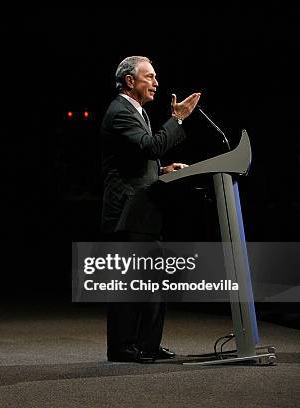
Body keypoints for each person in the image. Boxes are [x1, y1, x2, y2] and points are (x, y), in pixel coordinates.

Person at [101, 56, 201, 363]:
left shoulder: (137, 111)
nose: (156, 83)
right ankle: (122, 347)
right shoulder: (120, 111)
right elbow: (150, 146)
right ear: (130, 81)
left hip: (142, 212)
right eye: (150, 77)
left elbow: (139, 160)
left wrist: (162, 170)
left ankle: (146, 344)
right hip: (127, 214)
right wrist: (179, 119)